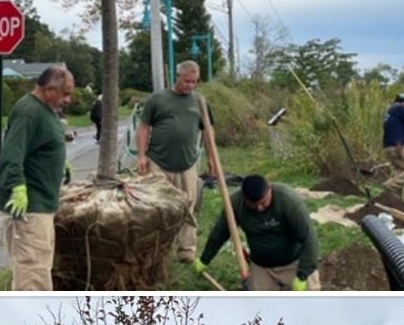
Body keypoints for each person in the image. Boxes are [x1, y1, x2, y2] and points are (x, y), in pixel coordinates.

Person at [0, 66, 73, 291]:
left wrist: (59, 164)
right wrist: (17, 187)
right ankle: (31, 322)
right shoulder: (29, 112)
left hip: (43, 204)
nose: (68, 99)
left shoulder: (45, 110)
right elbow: (11, 155)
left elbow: (38, 145)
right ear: (49, 89)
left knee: (37, 267)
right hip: (30, 207)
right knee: (32, 274)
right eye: (65, 93)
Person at [194, 173, 320, 291]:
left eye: (263, 203)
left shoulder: (288, 201)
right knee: (260, 306)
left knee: (310, 301)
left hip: (293, 263)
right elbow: (220, 233)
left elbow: (309, 238)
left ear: (269, 189)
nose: (259, 208)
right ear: (245, 198)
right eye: (253, 205)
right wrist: (205, 260)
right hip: (262, 267)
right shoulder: (236, 203)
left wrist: (302, 275)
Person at [137, 61, 206, 262]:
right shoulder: (158, 99)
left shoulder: (199, 101)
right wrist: (141, 156)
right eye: (187, 81)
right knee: (159, 207)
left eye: (194, 82)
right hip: (158, 161)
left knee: (188, 206)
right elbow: (143, 128)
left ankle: (186, 250)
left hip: (187, 163)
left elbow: (207, 131)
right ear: (177, 77)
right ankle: (157, 250)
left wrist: (211, 159)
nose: (190, 85)